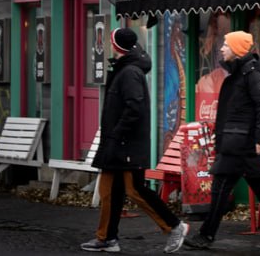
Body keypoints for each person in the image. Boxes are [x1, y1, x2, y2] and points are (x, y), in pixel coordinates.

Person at [183, 31, 260, 251]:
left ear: (237, 49)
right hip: (236, 141)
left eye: (226, 45)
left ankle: (206, 235)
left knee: (220, 187)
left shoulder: (251, 75)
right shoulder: (240, 74)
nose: (221, 48)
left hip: (240, 143)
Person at [81, 27, 189, 254]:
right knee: (108, 190)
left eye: (112, 42)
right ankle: (106, 238)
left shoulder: (130, 72)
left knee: (135, 189)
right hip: (116, 143)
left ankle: (174, 226)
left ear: (116, 45)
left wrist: (118, 133)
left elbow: (135, 107)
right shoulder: (124, 68)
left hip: (126, 143)